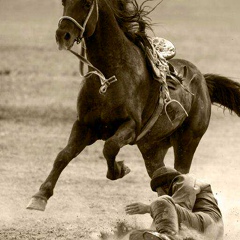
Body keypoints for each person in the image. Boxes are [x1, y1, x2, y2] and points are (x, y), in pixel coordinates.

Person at [125, 166, 224, 240]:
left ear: (166, 187)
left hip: (207, 224)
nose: (158, 196)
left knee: (161, 201)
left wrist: (148, 208)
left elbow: (180, 208)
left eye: (159, 192)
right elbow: (166, 221)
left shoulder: (183, 180)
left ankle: (168, 237)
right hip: (205, 229)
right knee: (135, 235)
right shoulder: (183, 190)